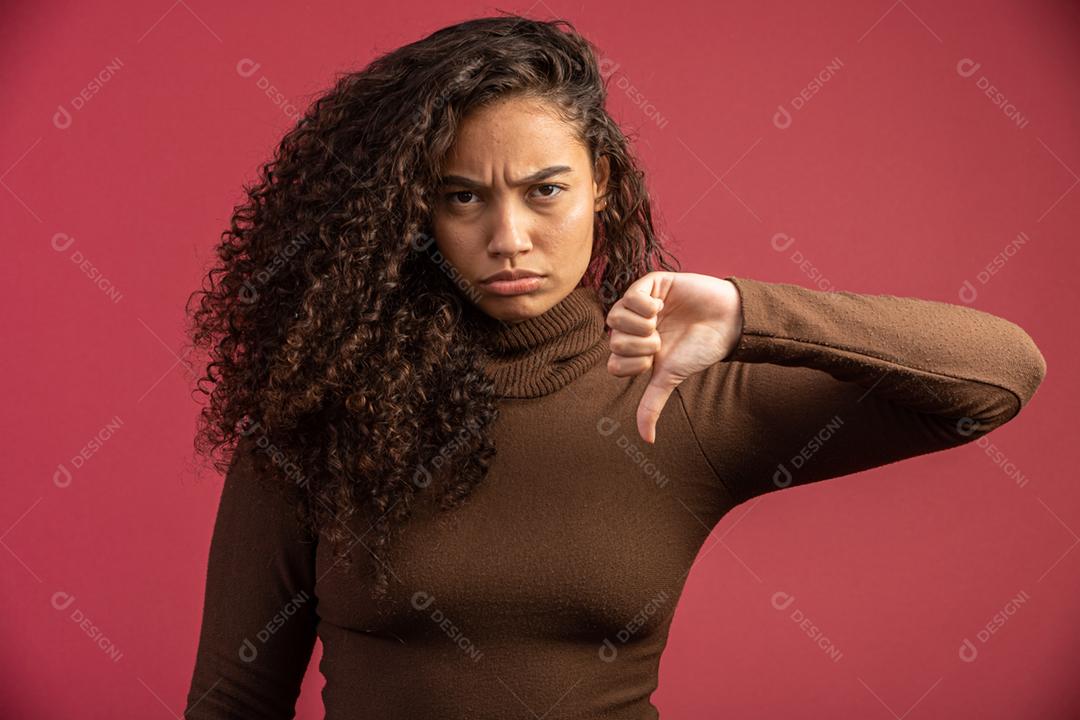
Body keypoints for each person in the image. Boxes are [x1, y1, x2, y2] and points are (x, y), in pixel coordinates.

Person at [181, 14, 1046, 720]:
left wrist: (753, 314)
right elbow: (235, 698)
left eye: (544, 189)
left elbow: (999, 375)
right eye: (462, 196)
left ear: (602, 183)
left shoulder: (672, 389)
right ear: (415, 215)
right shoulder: (323, 411)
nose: (508, 237)